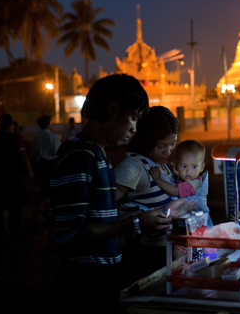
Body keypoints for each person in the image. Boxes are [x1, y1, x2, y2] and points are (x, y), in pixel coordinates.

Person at [50, 74, 175, 314]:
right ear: (113, 109)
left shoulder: (99, 155)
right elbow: (76, 234)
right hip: (84, 285)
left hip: (102, 276)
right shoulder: (80, 155)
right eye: (133, 118)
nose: (134, 129)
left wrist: (141, 217)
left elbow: (99, 220)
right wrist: (136, 222)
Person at [115, 106, 197, 278]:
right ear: (146, 140)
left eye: (172, 143)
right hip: (148, 256)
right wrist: (139, 219)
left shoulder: (160, 164)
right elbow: (102, 212)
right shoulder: (134, 167)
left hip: (169, 251)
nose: (168, 152)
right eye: (161, 146)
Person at [0, 114, 34, 237]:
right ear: (12, 124)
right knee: (21, 201)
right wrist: (30, 172)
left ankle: (6, 228)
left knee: (3, 202)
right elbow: (23, 156)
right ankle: (20, 227)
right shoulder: (17, 138)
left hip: (0, 174)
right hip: (18, 173)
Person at [150, 139, 212, 227]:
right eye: (183, 166)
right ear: (176, 165)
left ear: (202, 167)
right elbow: (179, 180)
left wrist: (158, 179)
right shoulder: (187, 179)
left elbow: (175, 191)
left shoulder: (192, 184)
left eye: (194, 166)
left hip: (199, 225)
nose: (188, 171)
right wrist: (175, 172)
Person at [33, 115, 61, 214]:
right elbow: (58, 153)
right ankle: (53, 210)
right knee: (54, 188)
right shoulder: (53, 136)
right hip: (52, 164)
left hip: (42, 164)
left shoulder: (37, 138)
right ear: (49, 124)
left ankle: (47, 211)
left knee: (45, 189)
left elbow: (36, 153)